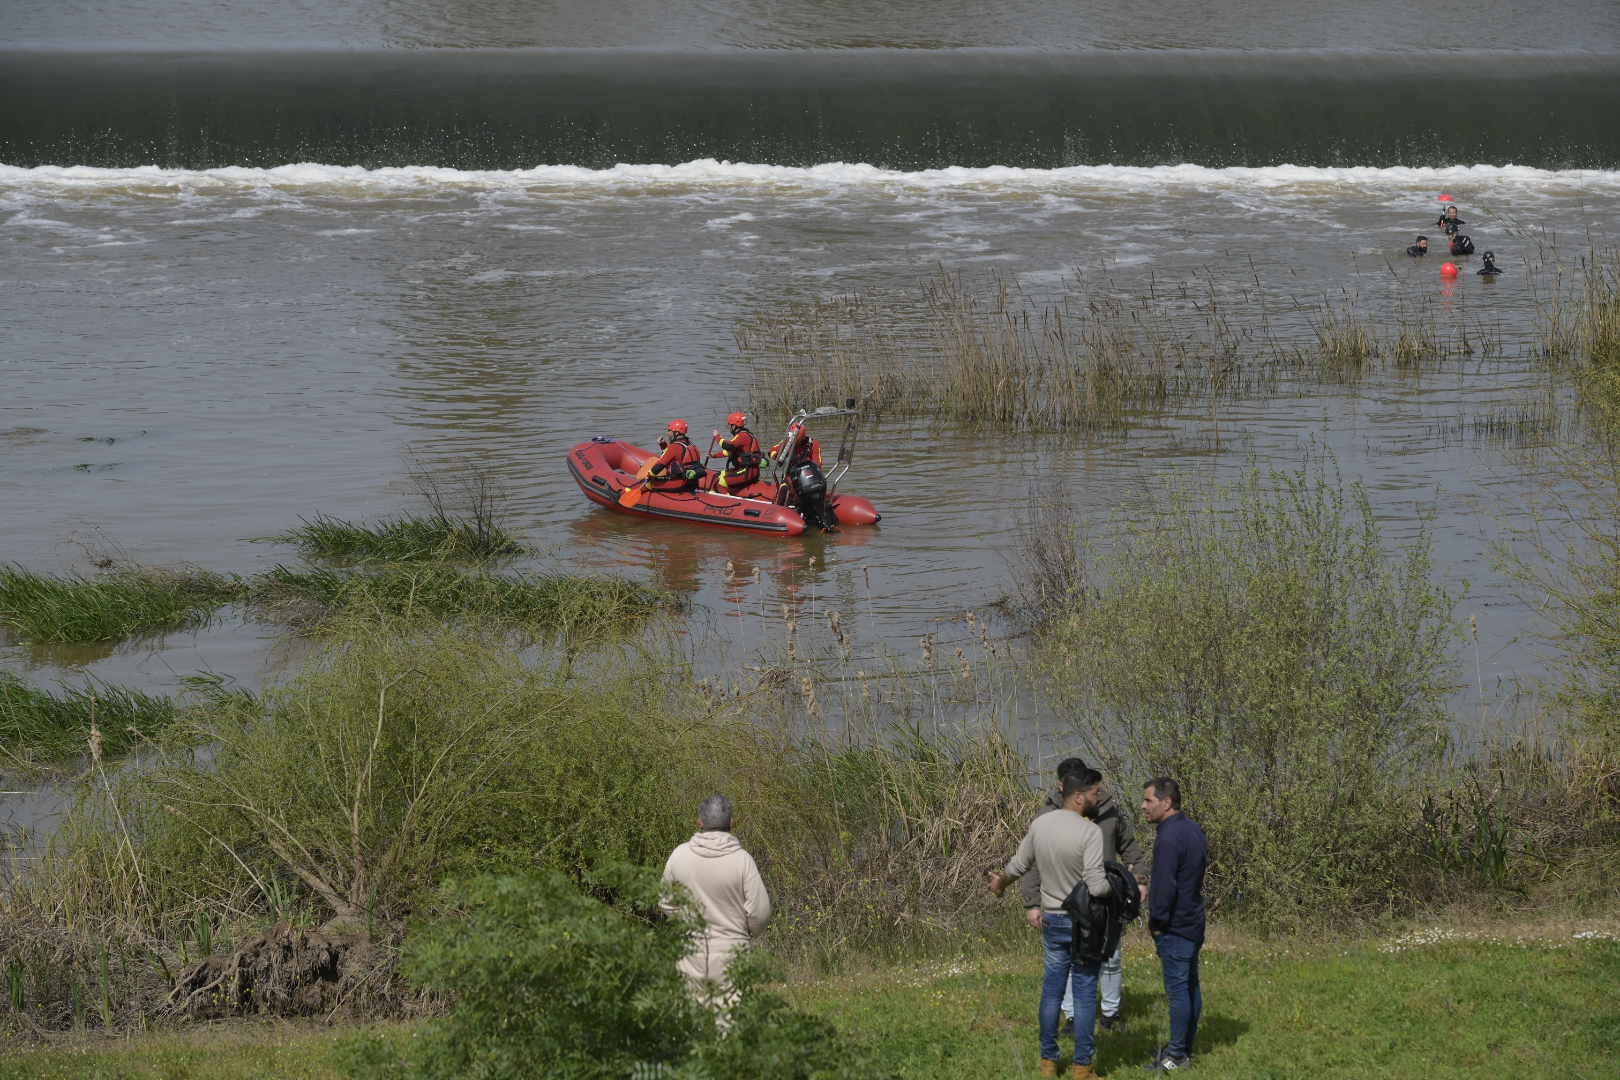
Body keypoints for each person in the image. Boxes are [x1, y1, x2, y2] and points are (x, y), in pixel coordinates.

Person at [990, 768, 1113, 1080]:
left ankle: (1048, 1063)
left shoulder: (1040, 824)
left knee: (1052, 992)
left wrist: (1001, 882)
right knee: (1085, 994)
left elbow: (1019, 865)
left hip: (1052, 919)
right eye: (1096, 793)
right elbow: (1097, 886)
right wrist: (1119, 887)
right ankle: (1082, 1069)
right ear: (1079, 796)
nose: (1099, 797)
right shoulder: (1090, 832)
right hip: (1082, 923)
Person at [1019, 757, 1144, 1031]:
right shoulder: (1045, 817)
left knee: (1110, 957)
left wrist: (1140, 879)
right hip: (1063, 902)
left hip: (1103, 900)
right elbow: (1031, 863)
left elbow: (1130, 848)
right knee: (1067, 963)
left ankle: (1110, 1014)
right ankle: (1072, 1016)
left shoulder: (1109, 811)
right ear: (1063, 786)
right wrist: (1032, 903)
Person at [661, 794, 772, 1014]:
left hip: (690, 953)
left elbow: (665, 901)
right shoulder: (743, 860)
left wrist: (685, 924)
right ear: (731, 823)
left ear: (699, 822)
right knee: (729, 1027)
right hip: (733, 955)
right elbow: (760, 912)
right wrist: (746, 933)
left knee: (693, 1024)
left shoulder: (679, 856)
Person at [1142, 778, 1208, 1074]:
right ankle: (1185, 1046)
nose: (1143, 806)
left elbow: (1164, 886)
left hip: (1175, 925)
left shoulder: (1168, 838)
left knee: (1178, 990)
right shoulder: (1194, 829)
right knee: (1190, 984)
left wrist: (1156, 922)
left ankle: (1177, 1054)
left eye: (1148, 801)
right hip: (1193, 920)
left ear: (1166, 803)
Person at [710, 411, 762, 493]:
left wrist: (717, 436)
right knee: (722, 474)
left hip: (747, 472)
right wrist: (714, 455)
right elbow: (729, 452)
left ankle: (726, 502)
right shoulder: (745, 435)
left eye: (731, 425)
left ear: (734, 426)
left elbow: (727, 445)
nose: (730, 428)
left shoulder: (742, 436)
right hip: (750, 471)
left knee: (722, 480)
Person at [647, 419, 704, 491]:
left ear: (676, 433)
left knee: (649, 483)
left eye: (669, 431)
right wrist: (663, 445)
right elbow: (677, 456)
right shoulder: (691, 445)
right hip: (693, 484)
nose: (668, 433)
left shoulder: (674, 447)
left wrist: (649, 475)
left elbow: (660, 465)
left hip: (679, 484)